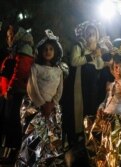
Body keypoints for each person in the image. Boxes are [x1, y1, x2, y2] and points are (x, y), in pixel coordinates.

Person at [15, 29, 64, 166]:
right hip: (36, 108)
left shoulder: (58, 71)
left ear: (55, 52)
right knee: (34, 138)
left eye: (51, 49)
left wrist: (53, 103)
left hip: (52, 109)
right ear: (41, 52)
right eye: (45, 49)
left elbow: (59, 90)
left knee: (51, 139)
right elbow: (32, 87)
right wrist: (42, 104)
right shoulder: (36, 68)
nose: (48, 51)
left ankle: (48, 162)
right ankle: (31, 162)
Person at [84, 54, 121, 167]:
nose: (119, 70)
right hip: (106, 119)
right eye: (116, 67)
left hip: (120, 121)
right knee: (91, 129)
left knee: (113, 151)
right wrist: (101, 107)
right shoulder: (113, 84)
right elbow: (106, 100)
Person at [0, 27, 34, 164]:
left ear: (16, 35)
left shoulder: (24, 48)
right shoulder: (15, 49)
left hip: (17, 93)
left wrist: (10, 88)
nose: (8, 39)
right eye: (7, 36)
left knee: (14, 123)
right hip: (10, 93)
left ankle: (13, 155)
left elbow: (21, 70)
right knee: (9, 123)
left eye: (10, 35)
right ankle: (9, 153)